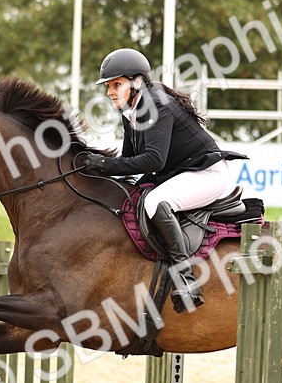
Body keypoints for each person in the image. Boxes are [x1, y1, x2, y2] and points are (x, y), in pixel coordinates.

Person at [76, 48, 246, 313]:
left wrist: (104, 164)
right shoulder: (131, 110)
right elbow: (130, 160)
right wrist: (95, 170)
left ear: (136, 82)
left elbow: (154, 160)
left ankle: (186, 279)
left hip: (207, 174)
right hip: (183, 173)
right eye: (108, 86)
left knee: (155, 201)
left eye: (116, 84)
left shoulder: (156, 103)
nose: (109, 92)